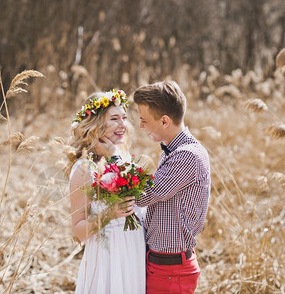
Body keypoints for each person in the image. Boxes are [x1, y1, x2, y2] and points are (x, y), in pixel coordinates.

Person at [133, 80, 211, 294]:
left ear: (165, 121)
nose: (141, 126)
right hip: (162, 263)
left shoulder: (187, 156)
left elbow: (145, 195)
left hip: (171, 269)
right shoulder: (172, 150)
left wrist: (112, 173)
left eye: (144, 120)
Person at [67, 89, 146, 294]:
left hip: (133, 249)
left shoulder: (122, 158)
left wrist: (113, 155)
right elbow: (77, 231)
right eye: (114, 119)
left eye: (124, 118)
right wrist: (110, 214)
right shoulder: (84, 169)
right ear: (96, 124)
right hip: (107, 256)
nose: (123, 125)